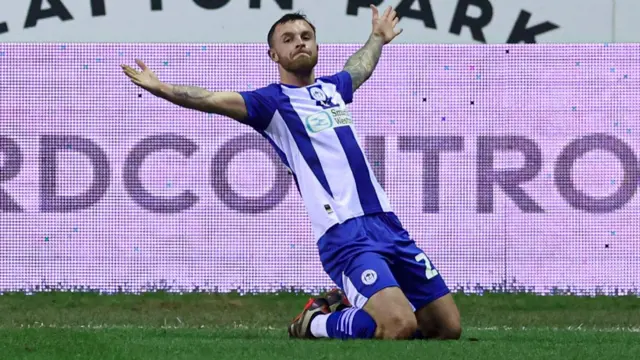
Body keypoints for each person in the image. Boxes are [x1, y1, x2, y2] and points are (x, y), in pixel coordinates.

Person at [121, 5, 461, 341]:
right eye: (288, 39)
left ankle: (364, 311)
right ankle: (314, 322)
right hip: (344, 233)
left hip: (387, 223)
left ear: (316, 46)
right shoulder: (270, 104)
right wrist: (162, 87)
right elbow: (210, 98)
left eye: (305, 36)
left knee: (446, 329)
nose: (299, 42)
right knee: (400, 326)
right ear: (274, 54)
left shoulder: (333, 90)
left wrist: (376, 38)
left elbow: (360, 68)